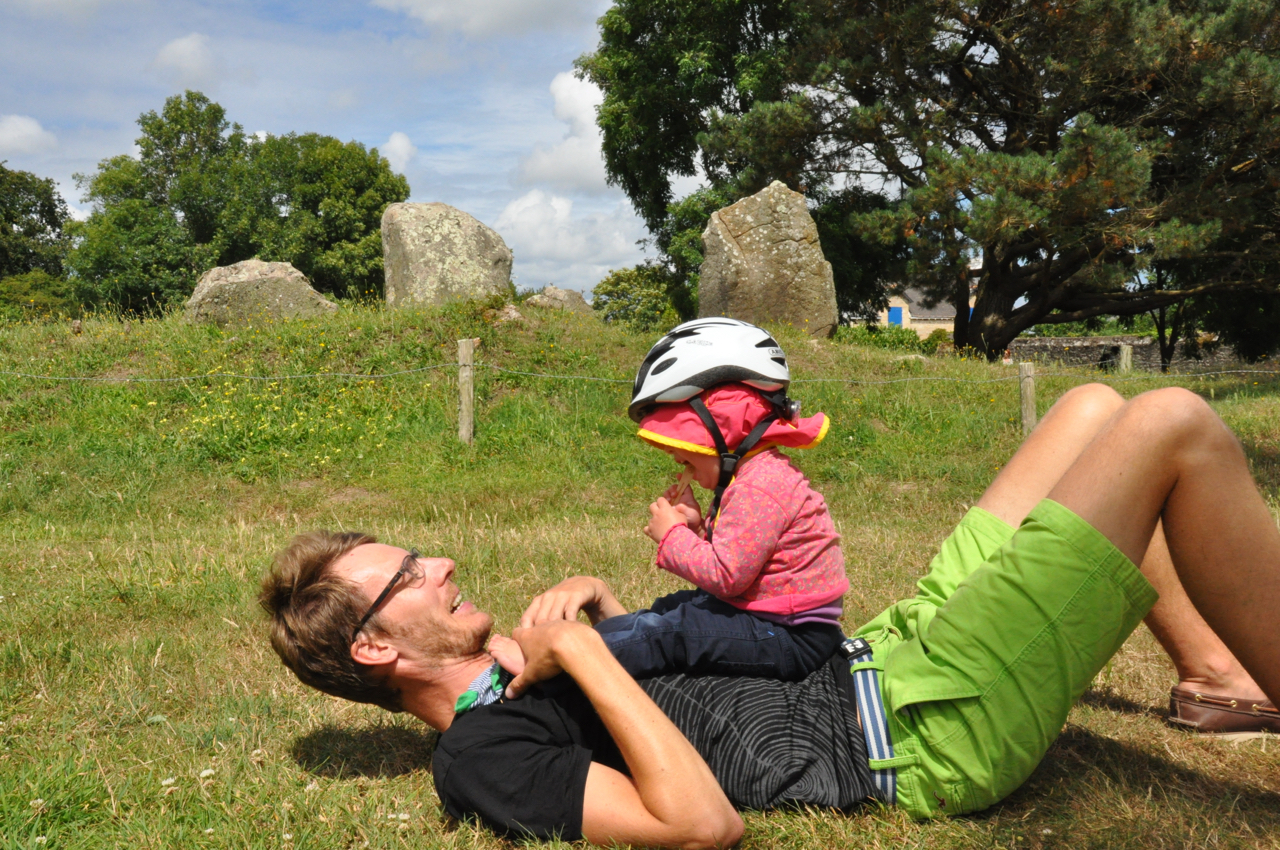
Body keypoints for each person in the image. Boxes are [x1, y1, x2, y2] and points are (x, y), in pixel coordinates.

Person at [259, 382, 1280, 847]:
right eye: (409, 574)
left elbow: (688, 691)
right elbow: (698, 822)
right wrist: (580, 651)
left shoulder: (522, 675)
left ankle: (1221, 676)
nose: (440, 561)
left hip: (884, 653)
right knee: (1170, 425)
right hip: (919, 729)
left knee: (1089, 411)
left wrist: (610, 620)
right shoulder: (479, 755)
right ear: (375, 646)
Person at [509, 318, 848, 683]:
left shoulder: (760, 486)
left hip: (791, 636)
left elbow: (727, 577)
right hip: (776, 622)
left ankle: (557, 662)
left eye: (686, 450)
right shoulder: (753, 478)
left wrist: (673, 536)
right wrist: (698, 529)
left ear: (723, 428)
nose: (676, 458)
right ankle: (585, 642)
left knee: (672, 632)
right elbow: (744, 558)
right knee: (670, 610)